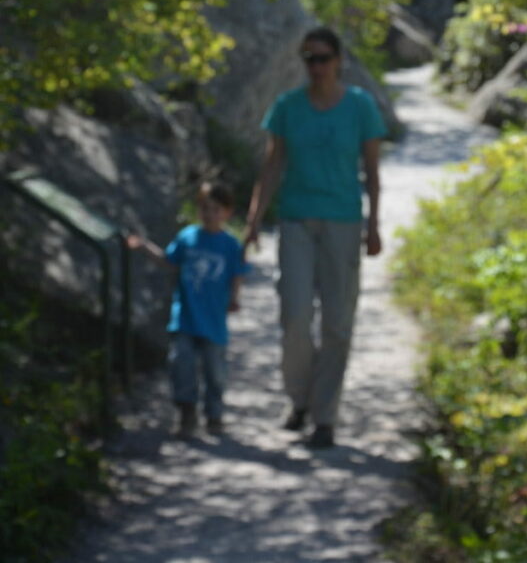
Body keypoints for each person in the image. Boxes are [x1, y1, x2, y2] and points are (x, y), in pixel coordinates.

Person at [244, 26, 387, 449]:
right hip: (296, 222)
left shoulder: (360, 107)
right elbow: (271, 166)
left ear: (339, 61)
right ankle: (298, 400)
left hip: (343, 222)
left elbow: (373, 172)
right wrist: (253, 219)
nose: (317, 67)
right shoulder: (288, 107)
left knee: (339, 324)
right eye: (309, 59)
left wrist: (374, 224)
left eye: (324, 58)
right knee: (295, 318)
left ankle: (324, 416)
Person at [126, 181, 249, 438]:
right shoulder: (188, 237)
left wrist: (235, 297)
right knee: (181, 364)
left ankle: (214, 416)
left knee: (215, 371)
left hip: (214, 321)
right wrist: (143, 246)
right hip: (184, 317)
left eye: (216, 209)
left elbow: (237, 274)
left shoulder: (230, 245)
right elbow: (168, 261)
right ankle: (186, 413)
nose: (210, 214)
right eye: (205, 208)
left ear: (227, 212)